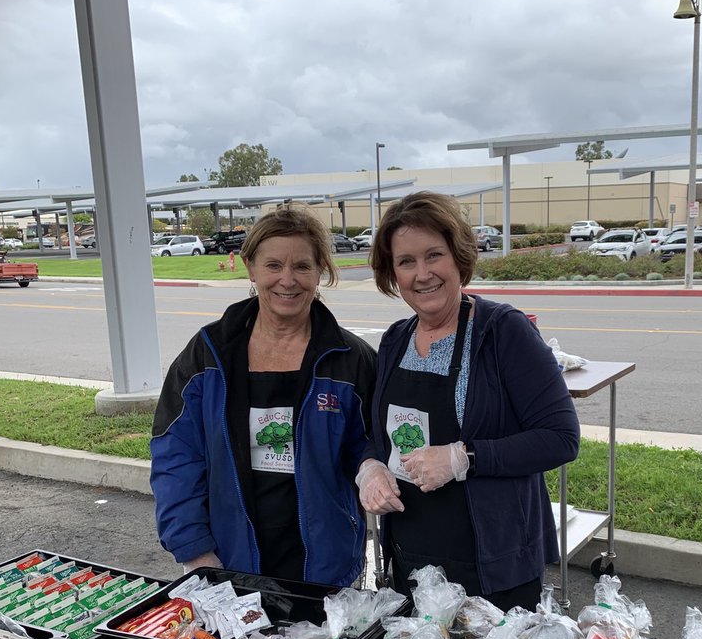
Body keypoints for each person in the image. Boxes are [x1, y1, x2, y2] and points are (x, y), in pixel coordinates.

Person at [356, 191, 580, 612]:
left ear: (459, 257)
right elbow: (376, 435)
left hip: (493, 569)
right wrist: (369, 468)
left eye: (433, 255)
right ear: (392, 273)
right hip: (412, 561)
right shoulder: (394, 341)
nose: (422, 274)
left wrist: (464, 457)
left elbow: (561, 437)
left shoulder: (503, 332)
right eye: (406, 262)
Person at [151, 206, 376, 587]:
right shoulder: (208, 354)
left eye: (302, 267)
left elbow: (373, 445)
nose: (287, 280)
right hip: (227, 561)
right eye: (273, 265)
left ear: (320, 270)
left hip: (327, 568)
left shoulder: (350, 360)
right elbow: (176, 456)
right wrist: (194, 549)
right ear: (250, 267)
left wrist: (372, 467)